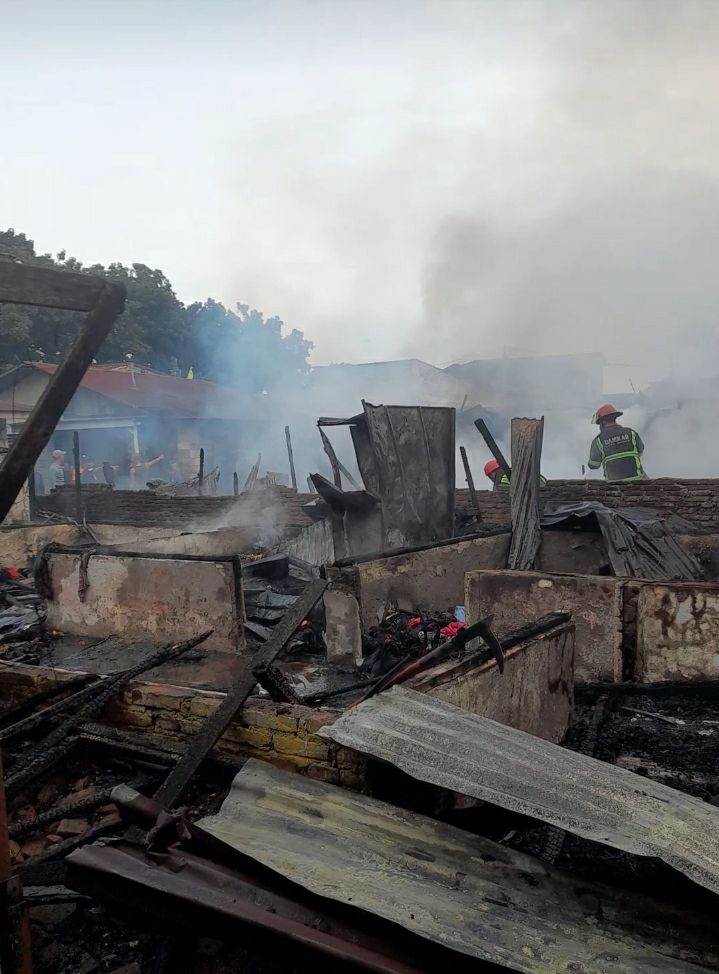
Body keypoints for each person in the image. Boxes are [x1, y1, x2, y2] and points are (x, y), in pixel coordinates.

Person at [588, 404, 646, 481]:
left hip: (614, 484)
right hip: (637, 481)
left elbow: (593, 465)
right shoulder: (631, 433)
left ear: (603, 422)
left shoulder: (598, 440)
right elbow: (640, 450)